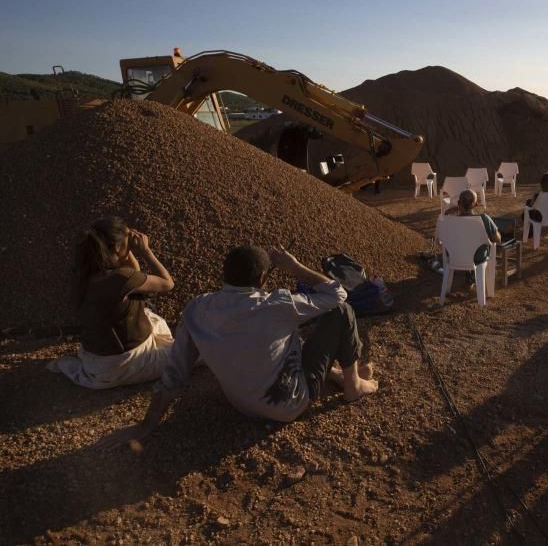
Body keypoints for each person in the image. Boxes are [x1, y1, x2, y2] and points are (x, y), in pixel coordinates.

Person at [97, 245, 377, 449]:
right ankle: (353, 386)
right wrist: (294, 267)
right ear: (263, 279)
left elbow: (176, 370)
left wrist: (148, 423)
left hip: (242, 404)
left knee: (284, 338)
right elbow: (338, 293)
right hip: (288, 404)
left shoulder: (197, 308)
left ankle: (335, 374)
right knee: (341, 312)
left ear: (224, 276)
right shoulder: (279, 304)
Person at [49, 218, 176, 389]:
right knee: (192, 355)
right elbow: (168, 284)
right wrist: (146, 251)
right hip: (126, 365)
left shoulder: (82, 275)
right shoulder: (119, 279)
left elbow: (133, 275)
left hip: (95, 363)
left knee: (150, 316)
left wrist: (125, 249)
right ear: (116, 248)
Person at [445, 189, 501, 263]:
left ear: (459, 203)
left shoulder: (449, 220)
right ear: (475, 204)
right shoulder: (484, 219)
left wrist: (454, 208)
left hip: (455, 257)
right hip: (477, 259)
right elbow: (497, 239)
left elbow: (446, 214)